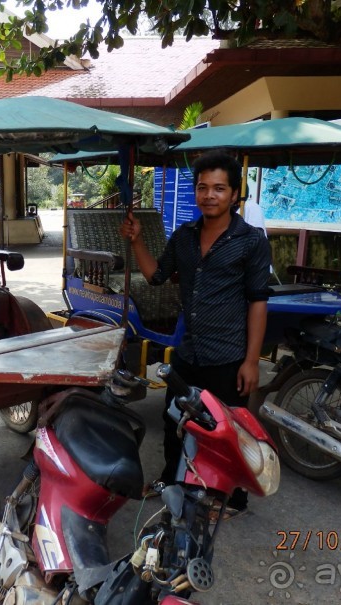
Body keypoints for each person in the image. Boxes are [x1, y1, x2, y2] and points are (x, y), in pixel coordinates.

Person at [120, 150, 272, 518]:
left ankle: (232, 497)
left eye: (219, 188)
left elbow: (258, 302)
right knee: (175, 420)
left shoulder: (251, 241)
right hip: (189, 352)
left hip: (229, 355)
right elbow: (157, 276)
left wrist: (251, 361)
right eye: (203, 187)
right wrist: (138, 240)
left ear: (235, 194)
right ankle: (171, 481)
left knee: (229, 431)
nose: (209, 195)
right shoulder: (185, 236)